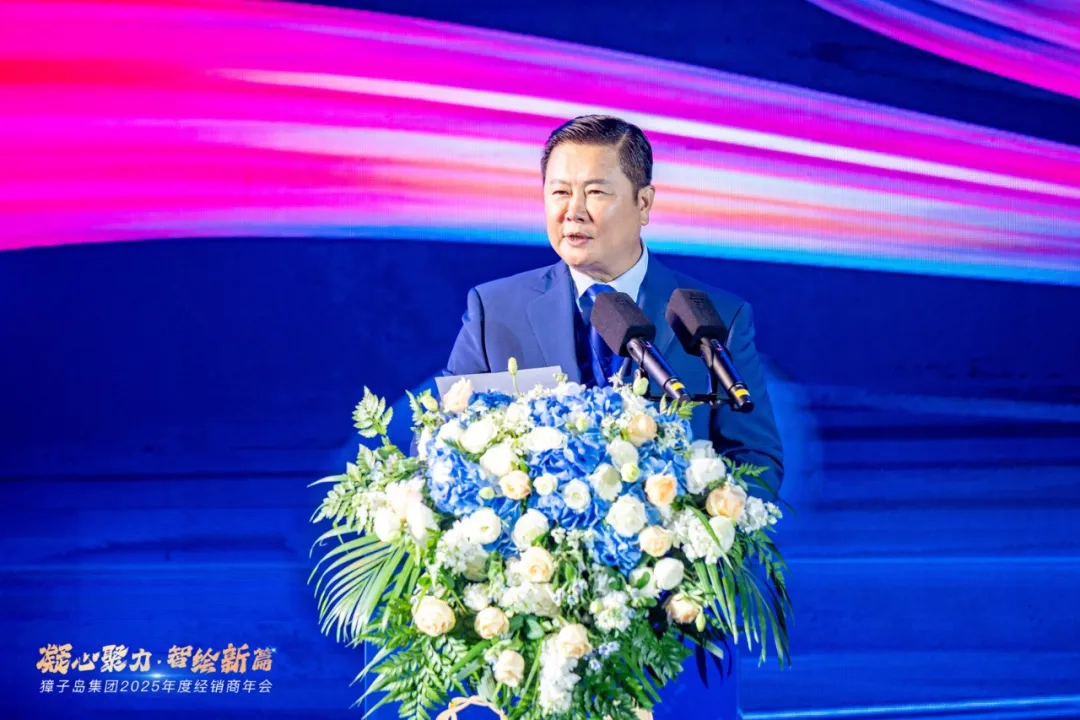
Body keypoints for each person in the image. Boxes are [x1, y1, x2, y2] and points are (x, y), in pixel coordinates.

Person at [443, 115, 783, 498]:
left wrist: (689, 519)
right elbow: (443, 448)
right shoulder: (493, 311)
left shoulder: (717, 317)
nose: (574, 211)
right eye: (560, 192)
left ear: (644, 203)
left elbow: (756, 460)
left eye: (595, 192)